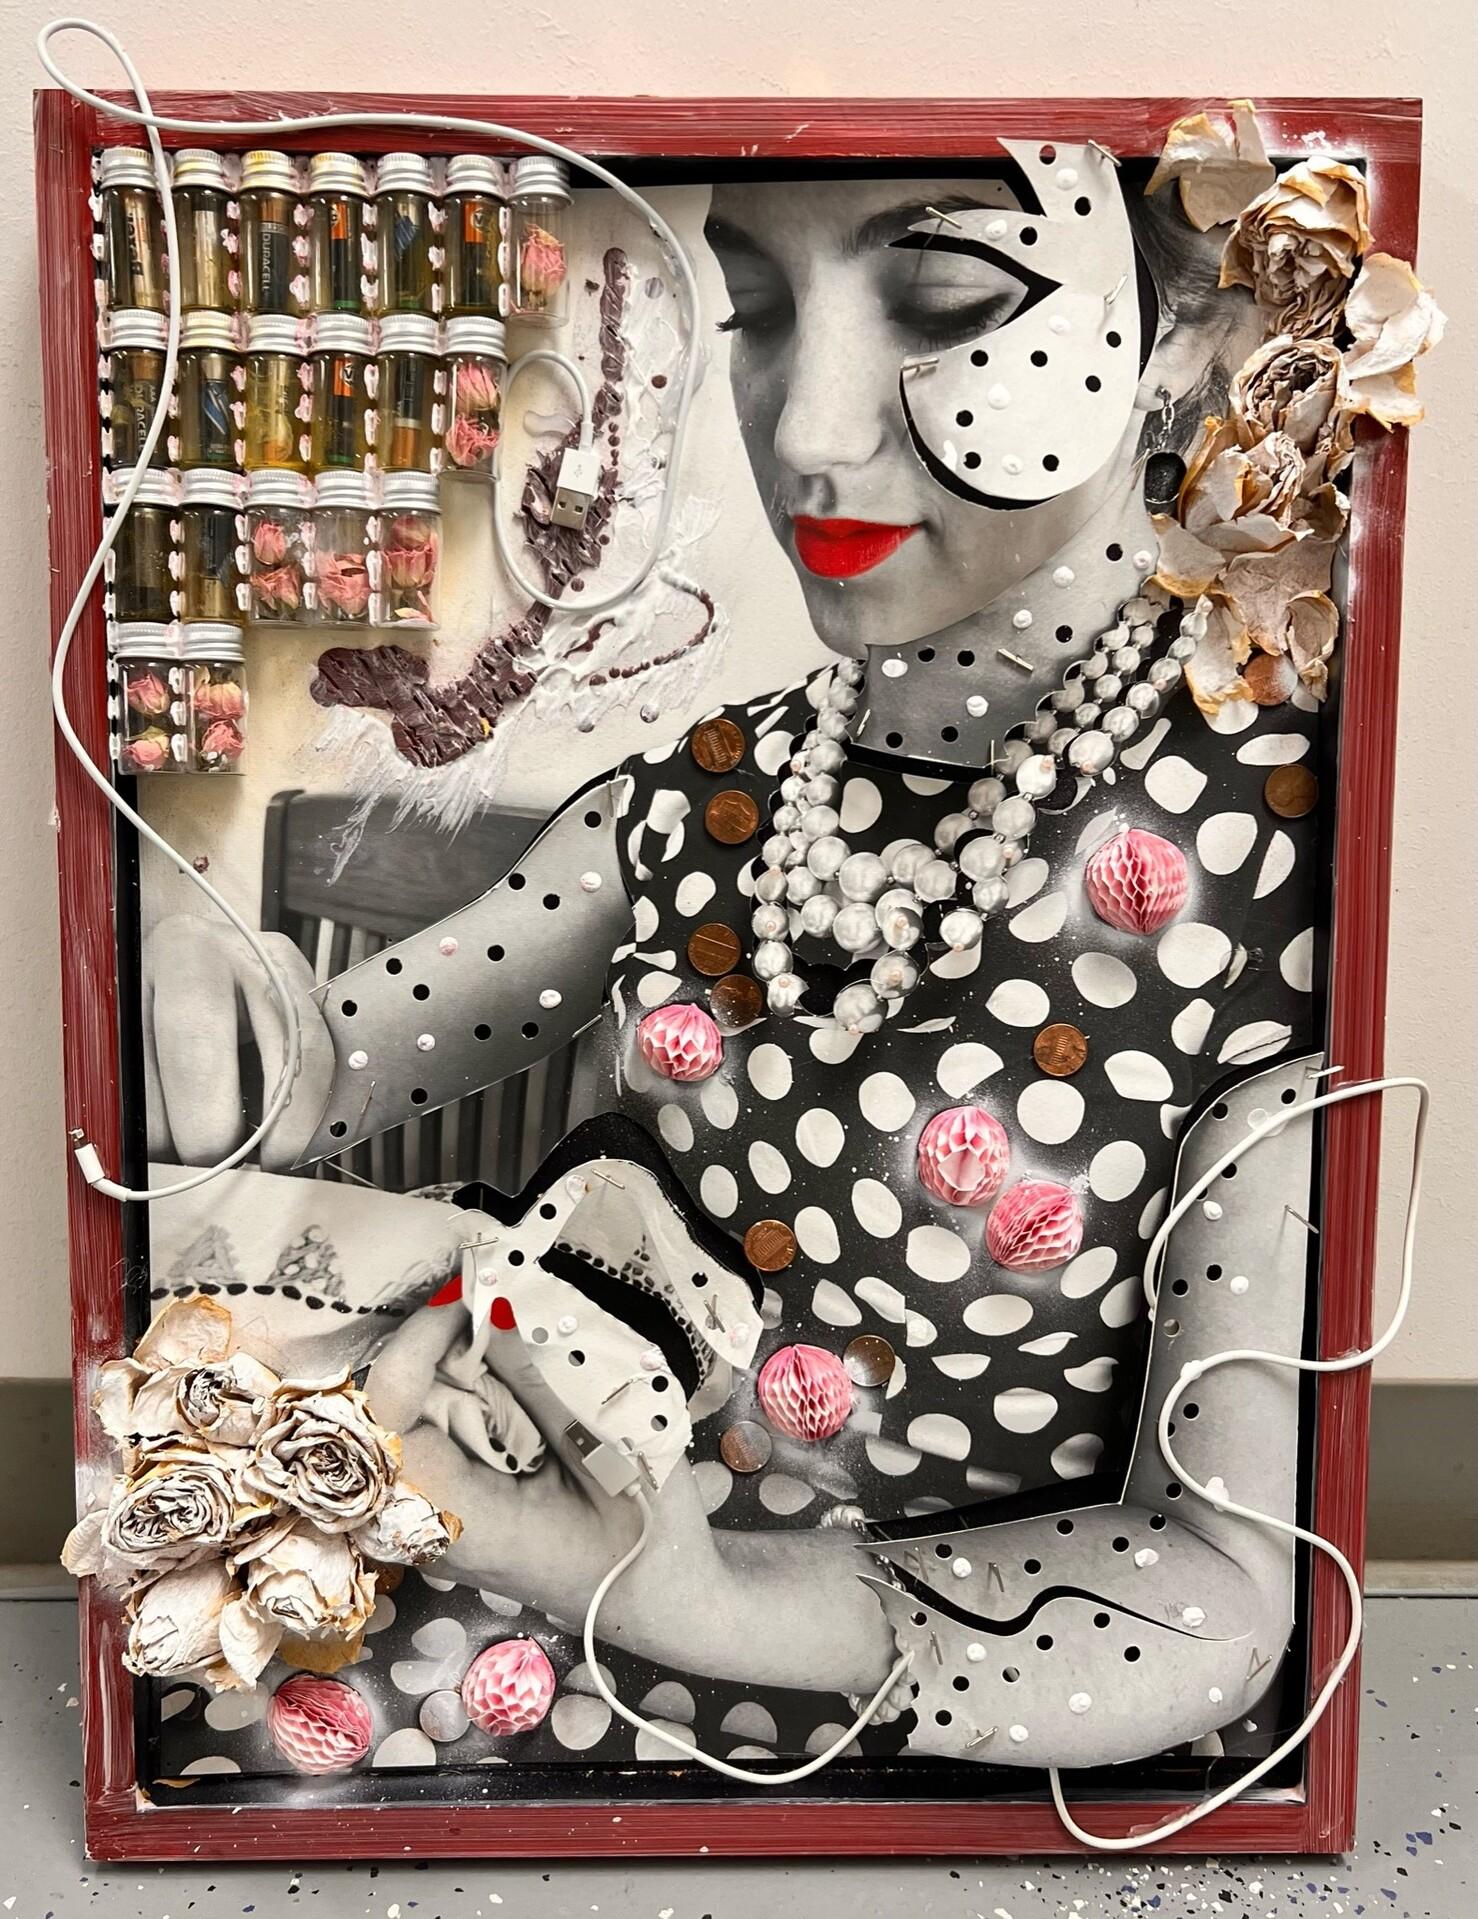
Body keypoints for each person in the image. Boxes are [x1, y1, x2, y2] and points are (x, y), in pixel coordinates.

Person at [142, 150, 1323, 1763]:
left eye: (947, 301)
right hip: (505, 1646)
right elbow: (329, 1066)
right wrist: (181, 957)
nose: (805, 434)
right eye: (756, 309)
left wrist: (685, 1598)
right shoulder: (711, 793)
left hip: (930, 1741)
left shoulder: (1275, 868)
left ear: (1181, 337)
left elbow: (1222, 1597)